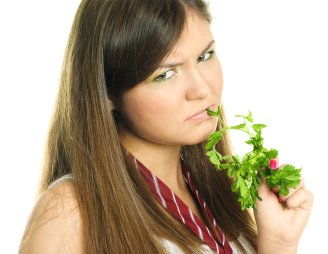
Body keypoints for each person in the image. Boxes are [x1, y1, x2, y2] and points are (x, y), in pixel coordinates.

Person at [19, 0, 313, 253]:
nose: (200, 89)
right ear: (108, 93)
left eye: (205, 56)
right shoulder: (72, 211)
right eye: (165, 74)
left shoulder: (215, 191)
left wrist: (278, 245)